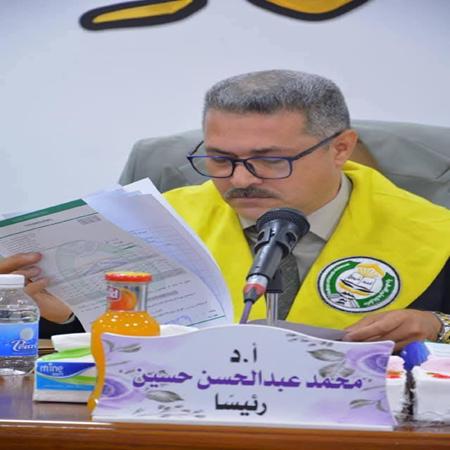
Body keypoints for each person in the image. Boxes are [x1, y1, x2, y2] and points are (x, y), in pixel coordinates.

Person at [6, 70, 450, 349]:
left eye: (271, 160)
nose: (240, 180)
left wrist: (439, 327)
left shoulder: (434, 233)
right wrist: (56, 313)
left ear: (340, 149)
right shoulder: (150, 226)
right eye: (220, 159)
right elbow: (98, 348)